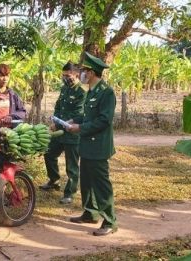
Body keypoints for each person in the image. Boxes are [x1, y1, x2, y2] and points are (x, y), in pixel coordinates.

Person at [67, 52, 117, 236]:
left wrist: (80, 127)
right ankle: (90, 213)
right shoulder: (92, 91)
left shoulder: (106, 93)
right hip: (87, 145)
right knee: (87, 182)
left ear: (92, 72)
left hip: (98, 146)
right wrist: (74, 120)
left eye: (84, 70)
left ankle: (110, 221)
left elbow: (104, 120)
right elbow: (89, 116)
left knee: (101, 185)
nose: (81, 73)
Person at [40, 62, 86, 204]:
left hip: (72, 133)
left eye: (68, 75)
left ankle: (69, 193)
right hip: (60, 131)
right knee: (49, 153)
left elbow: (79, 113)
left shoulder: (82, 92)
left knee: (71, 165)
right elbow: (58, 107)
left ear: (76, 74)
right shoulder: (64, 89)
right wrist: (55, 120)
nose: (65, 78)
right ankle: (54, 180)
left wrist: (60, 122)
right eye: (63, 75)